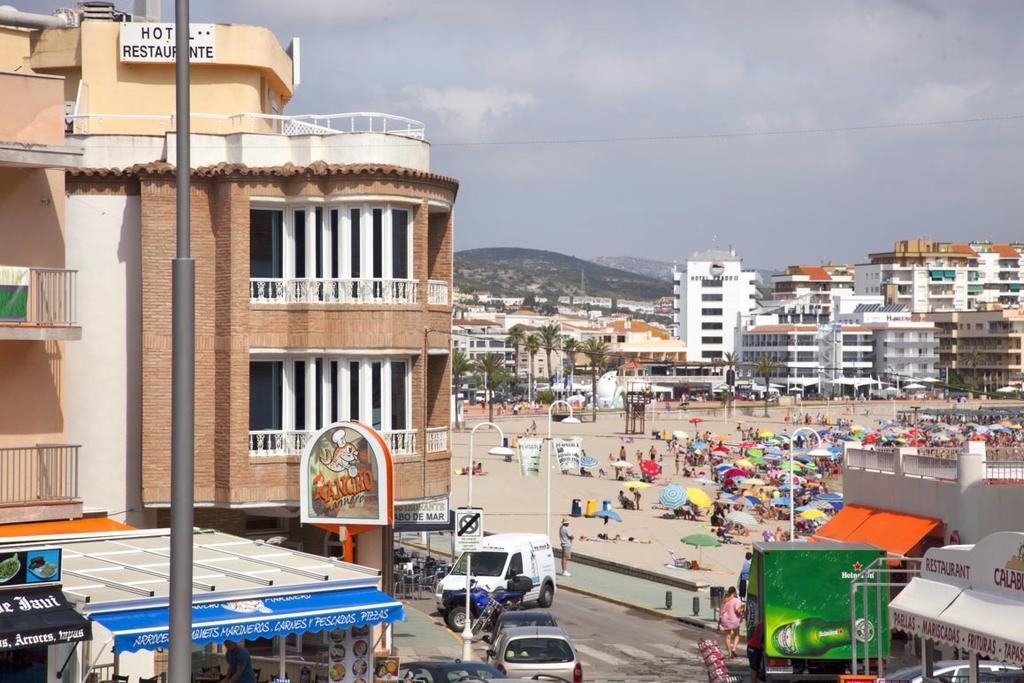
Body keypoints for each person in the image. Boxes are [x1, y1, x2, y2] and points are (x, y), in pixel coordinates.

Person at [718, 586, 744, 658]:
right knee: (737, 635)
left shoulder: (724, 600)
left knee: (728, 636)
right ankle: (734, 649)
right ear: (735, 592)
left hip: (725, 620)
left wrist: (719, 621)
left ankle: (729, 653)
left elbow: (721, 612)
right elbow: (738, 610)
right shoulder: (737, 600)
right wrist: (743, 609)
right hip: (734, 620)